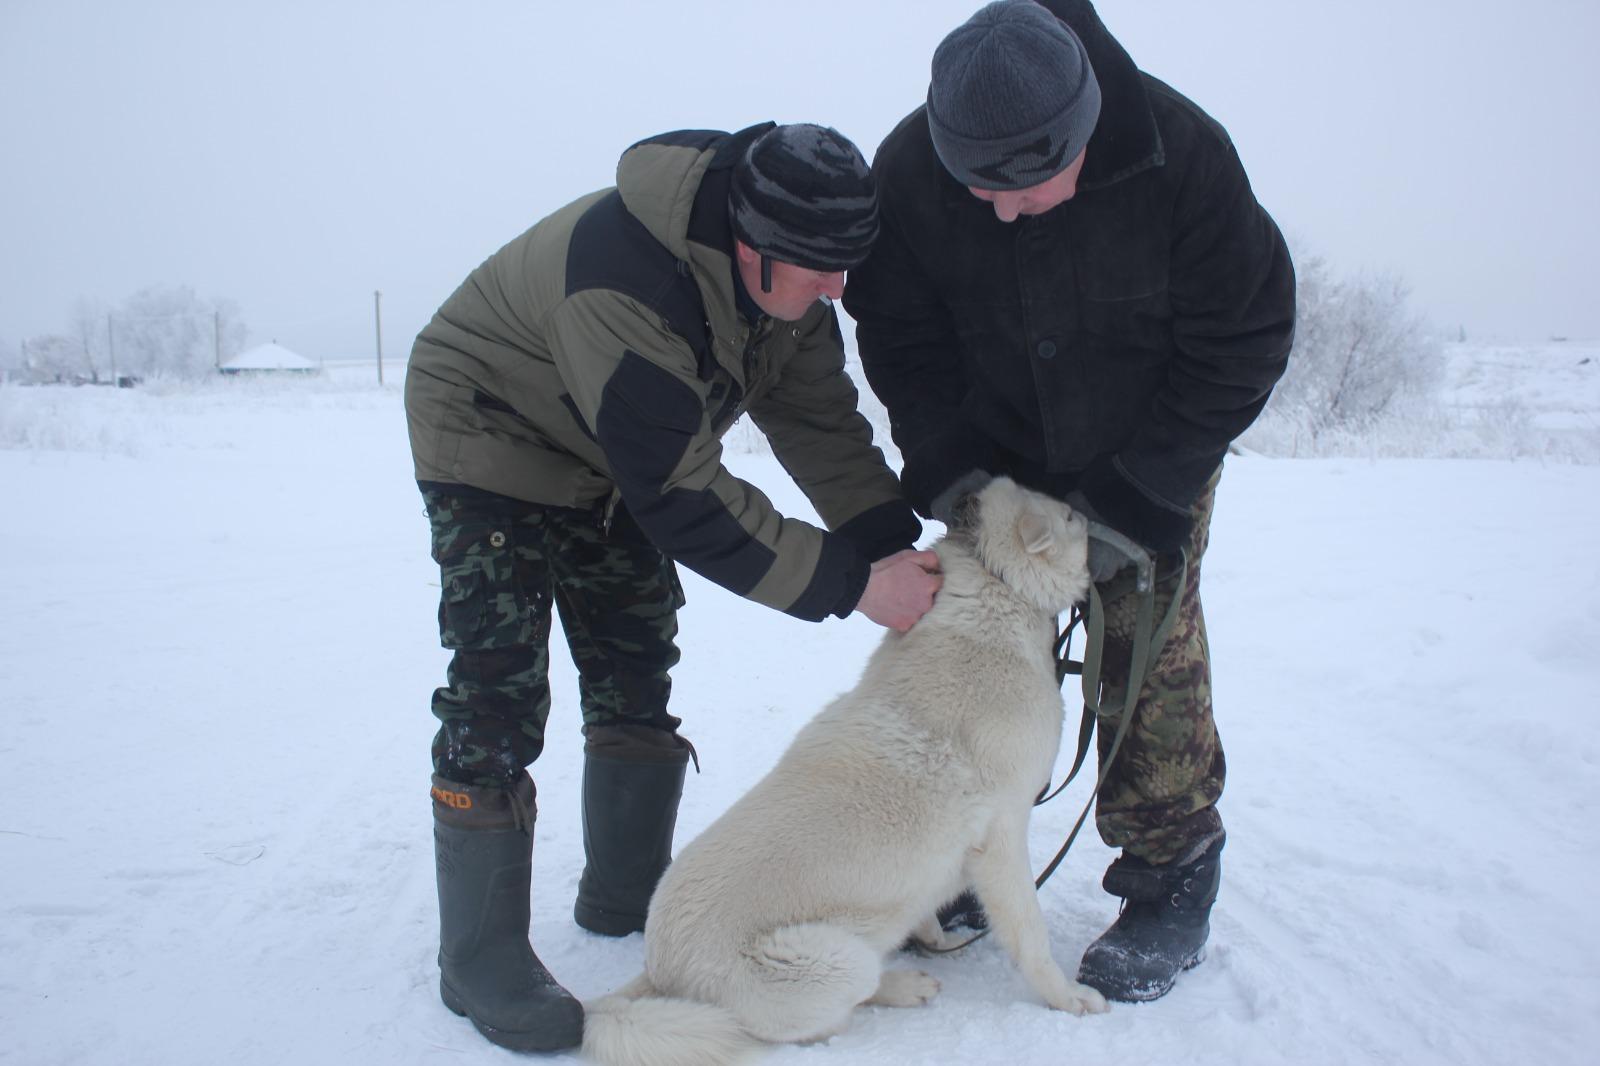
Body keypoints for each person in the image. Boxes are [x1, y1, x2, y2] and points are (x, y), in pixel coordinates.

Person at [405, 121, 941, 1052]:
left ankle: (621, 897)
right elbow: (683, 494)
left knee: (634, 654)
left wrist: (892, 546)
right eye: (820, 270)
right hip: (492, 432)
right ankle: (477, 957)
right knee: (500, 686)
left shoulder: (788, 285)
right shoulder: (625, 283)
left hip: (606, 444)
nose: (836, 291)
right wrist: (855, 585)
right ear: (750, 246)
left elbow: (817, 421)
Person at [843, 0, 1295, 1003]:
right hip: (996, 462)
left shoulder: (1184, 158)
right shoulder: (909, 171)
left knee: (1140, 642)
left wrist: (1139, 495)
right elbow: (901, 341)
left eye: (1023, 186)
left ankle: (1169, 872)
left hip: (1146, 448)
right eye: (978, 188)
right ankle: (960, 852)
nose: (999, 210)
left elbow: (1246, 336)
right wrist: (955, 475)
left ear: (1081, 129)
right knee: (963, 651)